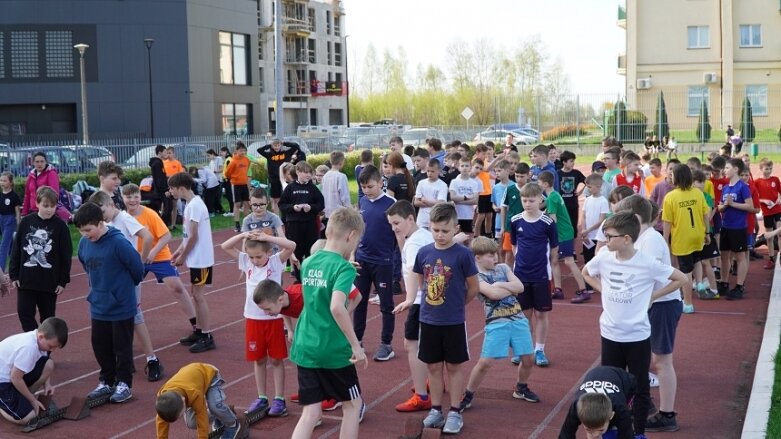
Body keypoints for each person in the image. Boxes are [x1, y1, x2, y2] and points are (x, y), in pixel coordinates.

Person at [582, 212, 688, 437]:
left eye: (610, 236)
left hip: (637, 336)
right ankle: (612, 430)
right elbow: (586, 272)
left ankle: (638, 432)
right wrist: (604, 290)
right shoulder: (603, 256)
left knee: (640, 388)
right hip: (610, 334)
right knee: (611, 387)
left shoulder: (647, 263)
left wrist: (653, 296)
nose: (605, 239)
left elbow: (682, 279)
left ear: (627, 238)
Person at [399, 203, 478, 434]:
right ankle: (435, 410)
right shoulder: (424, 252)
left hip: (453, 321)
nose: (440, 235)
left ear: (455, 228)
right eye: (435, 230)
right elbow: (420, 281)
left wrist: (457, 303)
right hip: (428, 320)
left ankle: (454, 411)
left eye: (445, 230)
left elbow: (473, 287)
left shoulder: (463, 254)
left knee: (453, 367)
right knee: (433, 367)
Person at [289, 207, 367, 439]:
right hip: (332, 349)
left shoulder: (310, 261)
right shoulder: (343, 267)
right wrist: (356, 345)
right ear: (351, 236)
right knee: (352, 406)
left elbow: (320, 285)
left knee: (310, 413)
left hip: (306, 344)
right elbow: (335, 306)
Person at [615, 195, 683, 432]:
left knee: (662, 360)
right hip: (651, 305)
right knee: (640, 357)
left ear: (634, 218)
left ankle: (667, 414)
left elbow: (647, 274)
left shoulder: (651, 240)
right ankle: (647, 405)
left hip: (663, 305)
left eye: (620, 217)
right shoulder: (641, 238)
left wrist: (644, 298)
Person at [88, 191, 164, 382]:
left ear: (111, 205)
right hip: (113, 278)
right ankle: (124, 359)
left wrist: (141, 260)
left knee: (135, 316)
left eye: (102, 211)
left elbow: (146, 237)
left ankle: (152, 359)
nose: (101, 216)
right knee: (117, 319)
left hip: (128, 276)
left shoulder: (124, 218)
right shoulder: (105, 223)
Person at [74, 202, 145, 404]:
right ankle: (106, 380)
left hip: (121, 305)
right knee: (100, 345)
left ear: (100, 223)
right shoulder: (84, 243)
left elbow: (137, 269)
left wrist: (119, 290)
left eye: (88, 230)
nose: (86, 234)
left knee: (122, 347)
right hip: (98, 304)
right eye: (81, 231)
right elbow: (86, 265)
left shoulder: (118, 243)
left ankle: (124, 383)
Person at [122, 184, 199, 366]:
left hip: (157, 255)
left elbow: (166, 236)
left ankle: (196, 324)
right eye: (128, 197)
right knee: (127, 292)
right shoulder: (122, 217)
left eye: (136, 197)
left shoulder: (149, 214)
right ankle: (126, 330)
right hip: (135, 258)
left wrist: (153, 252)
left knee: (177, 287)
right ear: (122, 198)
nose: (133, 200)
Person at [221, 230, 296, 417]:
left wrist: (267, 238)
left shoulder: (276, 261)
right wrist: (243, 235)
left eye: (259, 257)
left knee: (277, 359)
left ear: (268, 252)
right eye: (252, 257)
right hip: (253, 319)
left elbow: (292, 245)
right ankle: (262, 396)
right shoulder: (246, 261)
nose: (255, 260)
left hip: (273, 320)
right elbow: (225, 246)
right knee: (259, 359)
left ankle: (279, 398)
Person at [459, 237, 539, 412]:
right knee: (485, 362)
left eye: (495, 254)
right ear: (477, 258)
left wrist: (500, 284)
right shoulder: (476, 276)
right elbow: (493, 294)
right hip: (496, 323)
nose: (495, 258)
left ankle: (521, 387)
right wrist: (507, 288)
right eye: (490, 255)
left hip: (518, 319)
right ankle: (468, 393)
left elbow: (521, 287)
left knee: (528, 358)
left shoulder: (503, 268)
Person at [388, 200, 436, 412]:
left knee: (412, 345)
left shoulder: (415, 243)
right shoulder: (423, 235)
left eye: (396, 223)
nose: (394, 228)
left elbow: (417, 271)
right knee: (426, 344)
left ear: (410, 218)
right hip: (428, 299)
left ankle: (421, 395)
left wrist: (410, 298)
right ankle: (429, 383)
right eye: (391, 224)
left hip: (420, 301)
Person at [9, 186, 72, 332]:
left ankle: (45, 350)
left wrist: (63, 281)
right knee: (24, 314)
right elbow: (16, 249)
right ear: (37, 203)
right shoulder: (26, 222)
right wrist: (14, 274)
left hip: (49, 282)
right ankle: (33, 341)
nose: (49, 209)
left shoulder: (60, 227)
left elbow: (66, 255)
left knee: (48, 318)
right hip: (26, 280)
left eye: (52, 206)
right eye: (45, 205)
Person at [352, 165, 398, 362]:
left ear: (381, 183)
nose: (366, 190)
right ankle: (357, 341)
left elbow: (399, 232)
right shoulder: (362, 201)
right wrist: (352, 254)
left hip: (384, 262)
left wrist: (397, 258)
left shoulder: (391, 203)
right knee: (358, 302)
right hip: (362, 260)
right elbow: (358, 230)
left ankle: (386, 344)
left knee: (386, 304)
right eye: (363, 187)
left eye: (370, 186)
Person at [510, 183, 558, 366]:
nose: (528, 204)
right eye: (524, 200)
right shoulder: (515, 221)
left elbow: (554, 249)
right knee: (523, 315)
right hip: (521, 276)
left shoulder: (547, 223)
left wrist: (549, 270)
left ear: (540, 200)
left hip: (541, 276)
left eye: (531, 200)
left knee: (541, 315)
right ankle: (524, 349)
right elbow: (514, 246)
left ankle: (539, 349)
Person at [169, 172, 216, 353]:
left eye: (172, 188)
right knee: (195, 293)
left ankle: (206, 334)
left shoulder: (195, 205)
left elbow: (195, 235)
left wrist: (182, 256)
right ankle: (199, 330)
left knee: (198, 295)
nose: (171, 192)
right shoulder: (190, 204)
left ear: (181, 188)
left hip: (201, 258)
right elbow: (188, 234)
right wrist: (179, 251)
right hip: (195, 258)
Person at [0, 316, 67, 425]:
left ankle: (21, 398)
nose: (53, 350)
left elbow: (45, 360)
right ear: (41, 337)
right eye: (51, 346)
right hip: (3, 380)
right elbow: (15, 378)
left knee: (49, 364)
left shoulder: (40, 340)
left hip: (11, 374)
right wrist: (32, 400)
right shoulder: (28, 348)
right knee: (28, 418)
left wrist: (47, 384)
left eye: (56, 348)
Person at [661, 164, 708, 314]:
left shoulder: (671, 197)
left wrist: (664, 239)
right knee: (697, 259)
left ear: (676, 178)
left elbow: (667, 222)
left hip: (682, 237)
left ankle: (688, 303)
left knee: (685, 271)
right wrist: (707, 233)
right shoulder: (698, 193)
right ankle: (700, 283)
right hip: (697, 234)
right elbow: (705, 214)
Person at [538, 171, 590, 302]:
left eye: (539, 182)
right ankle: (558, 289)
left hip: (563, 233)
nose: (537, 185)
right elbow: (544, 206)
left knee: (568, 261)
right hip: (563, 232)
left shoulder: (551, 198)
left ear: (544, 184)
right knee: (554, 260)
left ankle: (583, 290)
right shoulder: (554, 195)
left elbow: (553, 219)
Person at [155, 362, 241, 439]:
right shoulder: (164, 403)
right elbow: (162, 423)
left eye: (182, 412)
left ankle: (232, 424)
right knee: (191, 423)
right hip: (194, 381)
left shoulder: (194, 394)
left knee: (215, 406)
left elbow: (202, 417)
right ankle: (221, 414)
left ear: (183, 400)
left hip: (209, 376)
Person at [558, 366, 637, 439]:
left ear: (611, 415)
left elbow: (627, 435)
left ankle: (609, 425)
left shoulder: (620, 408)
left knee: (621, 425)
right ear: (580, 417)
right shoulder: (576, 407)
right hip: (598, 378)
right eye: (589, 430)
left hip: (626, 382)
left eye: (600, 430)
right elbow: (565, 434)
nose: (595, 435)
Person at [278, 161, 324, 281]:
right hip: (294, 225)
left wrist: (311, 208)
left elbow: (321, 204)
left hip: (310, 225)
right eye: (306, 172)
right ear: (298, 172)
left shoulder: (313, 189)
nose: (308, 175)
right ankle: (298, 279)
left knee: (311, 252)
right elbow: (282, 205)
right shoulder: (290, 188)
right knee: (297, 253)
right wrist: (293, 208)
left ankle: (310, 277)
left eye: (310, 173)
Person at [717, 158, 753, 300]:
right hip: (725, 226)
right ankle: (724, 283)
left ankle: (739, 286)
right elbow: (720, 206)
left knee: (740, 256)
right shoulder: (726, 188)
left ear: (736, 169)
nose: (724, 170)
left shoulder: (743, 187)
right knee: (724, 256)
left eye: (727, 168)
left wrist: (733, 204)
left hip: (738, 227)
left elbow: (750, 206)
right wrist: (724, 206)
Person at [256, 138, 303, 209]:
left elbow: (296, 146)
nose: (277, 147)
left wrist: (284, 143)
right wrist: (269, 145)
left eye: (278, 145)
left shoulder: (286, 153)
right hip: (274, 178)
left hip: (286, 178)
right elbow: (259, 150)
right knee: (276, 198)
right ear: (272, 146)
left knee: (288, 195)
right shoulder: (269, 155)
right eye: (275, 145)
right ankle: (277, 215)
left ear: (281, 145)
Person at [500, 163, 531, 267]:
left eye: (522, 176)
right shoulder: (510, 189)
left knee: (526, 253)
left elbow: (545, 201)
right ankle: (508, 278)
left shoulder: (533, 189)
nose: (519, 179)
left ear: (528, 175)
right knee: (509, 254)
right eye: (517, 176)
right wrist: (503, 227)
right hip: (510, 226)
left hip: (528, 225)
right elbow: (503, 207)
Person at [755, 158, 781, 269]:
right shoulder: (757, 182)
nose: (769, 171)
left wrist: (780, 199)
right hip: (767, 213)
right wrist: (764, 200)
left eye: (770, 168)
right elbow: (755, 198)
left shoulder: (775, 179)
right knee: (769, 237)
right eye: (766, 168)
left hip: (778, 210)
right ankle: (771, 258)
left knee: (780, 233)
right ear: (761, 169)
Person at [449, 155, 482, 237]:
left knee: (468, 238)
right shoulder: (454, 182)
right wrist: (466, 198)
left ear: (470, 167)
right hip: (456, 215)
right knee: (455, 237)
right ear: (459, 167)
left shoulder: (474, 183)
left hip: (468, 216)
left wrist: (458, 200)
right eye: (462, 166)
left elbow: (475, 201)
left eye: (467, 166)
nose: (464, 168)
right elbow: (452, 197)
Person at [580, 174, 609, 265]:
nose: (587, 189)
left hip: (597, 237)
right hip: (587, 236)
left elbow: (601, 220)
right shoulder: (588, 200)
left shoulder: (603, 201)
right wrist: (584, 230)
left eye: (589, 187)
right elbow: (583, 216)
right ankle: (586, 279)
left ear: (598, 186)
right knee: (587, 260)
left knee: (596, 261)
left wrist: (587, 230)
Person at [21, 152, 60, 219]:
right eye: (37, 162)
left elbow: (54, 194)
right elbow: (27, 195)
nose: (39, 164)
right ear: (33, 163)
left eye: (42, 161)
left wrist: (50, 210)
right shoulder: (31, 175)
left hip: (46, 211)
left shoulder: (51, 173)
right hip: (32, 210)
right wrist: (24, 213)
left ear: (46, 162)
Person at [223, 142, 251, 233]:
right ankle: (237, 223)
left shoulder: (247, 160)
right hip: (236, 185)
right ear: (236, 151)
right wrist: (235, 178)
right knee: (237, 204)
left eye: (244, 150)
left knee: (247, 203)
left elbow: (246, 170)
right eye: (241, 151)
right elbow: (227, 173)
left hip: (244, 184)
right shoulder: (233, 161)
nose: (242, 152)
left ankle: (246, 223)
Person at [557, 151, 586, 236]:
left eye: (573, 161)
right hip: (561, 205)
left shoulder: (576, 173)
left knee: (573, 226)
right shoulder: (557, 174)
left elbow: (588, 182)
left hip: (573, 204)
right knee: (562, 226)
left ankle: (572, 247)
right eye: (571, 161)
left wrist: (581, 191)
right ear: (564, 162)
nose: (573, 163)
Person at [414, 159, 448, 230]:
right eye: (428, 171)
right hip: (422, 220)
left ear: (439, 171)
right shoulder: (421, 183)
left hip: (435, 219)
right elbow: (416, 202)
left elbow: (441, 204)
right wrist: (433, 203)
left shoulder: (443, 185)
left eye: (432, 171)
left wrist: (425, 200)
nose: (429, 173)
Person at [322, 151, 351, 230]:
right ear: (341, 162)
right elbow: (344, 196)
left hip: (328, 211)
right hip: (339, 212)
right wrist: (349, 208)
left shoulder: (326, 176)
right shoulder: (341, 176)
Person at [0, 172, 21, 270]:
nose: (2, 183)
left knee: (4, 244)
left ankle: (1, 269)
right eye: (1, 180)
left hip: (10, 219)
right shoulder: (0, 195)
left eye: (5, 180)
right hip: (1, 219)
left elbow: (17, 211)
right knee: (10, 244)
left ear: (10, 182)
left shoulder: (14, 196)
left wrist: (18, 223)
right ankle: (16, 264)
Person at [149, 145, 170, 222]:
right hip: (161, 190)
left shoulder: (158, 162)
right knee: (168, 206)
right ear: (160, 152)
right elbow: (159, 178)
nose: (166, 154)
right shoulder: (157, 163)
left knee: (165, 207)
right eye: (165, 152)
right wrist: (165, 190)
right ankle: (163, 224)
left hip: (159, 189)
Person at [206, 149, 225, 214]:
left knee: (218, 195)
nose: (208, 157)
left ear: (212, 154)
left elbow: (221, 169)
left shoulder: (218, 159)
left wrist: (214, 171)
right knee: (214, 196)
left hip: (218, 179)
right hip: (212, 181)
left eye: (209, 156)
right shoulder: (211, 162)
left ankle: (220, 209)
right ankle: (215, 208)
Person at [219, 146, 234, 216]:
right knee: (228, 195)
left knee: (229, 195)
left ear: (226, 152)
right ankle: (232, 209)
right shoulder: (228, 159)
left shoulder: (229, 159)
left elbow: (229, 171)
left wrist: (227, 178)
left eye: (222, 152)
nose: (221, 153)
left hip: (228, 180)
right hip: (227, 180)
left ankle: (232, 211)